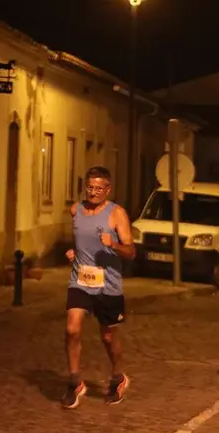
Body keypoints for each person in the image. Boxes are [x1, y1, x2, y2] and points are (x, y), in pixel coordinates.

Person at [61, 166, 136, 409]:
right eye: (90, 187)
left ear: (108, 189)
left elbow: (131, 251)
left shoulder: (117, 214)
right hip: (80, 280)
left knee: (107, 336)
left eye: (98, 188)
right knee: (72, 329)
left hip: (108, 285)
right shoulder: (76, 210)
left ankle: (117, 377)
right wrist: (75, 252)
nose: (93, 192)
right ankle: (74, 382)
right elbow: (81, 239)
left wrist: (113, 243)